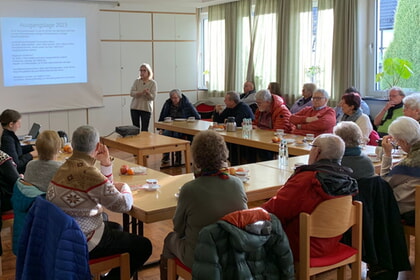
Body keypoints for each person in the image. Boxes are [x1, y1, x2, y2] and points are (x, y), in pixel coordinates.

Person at [47, 125, 152, 279]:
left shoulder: (65, 166)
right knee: (143, 246)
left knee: (117, 227)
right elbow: (122, 205)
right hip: (81, 239)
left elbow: (105, 190)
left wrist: (106, 164)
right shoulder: (88, 173)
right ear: (97, 146)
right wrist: (125, 187)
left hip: (63, 234)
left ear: (73, 144)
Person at [160, 130, 248, 278]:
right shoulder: (237, 184)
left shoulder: (190, 189)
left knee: (170, 239)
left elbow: (178, 228)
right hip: (233, 254)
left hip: (201, 257)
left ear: (196, 158)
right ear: (223, 154)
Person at [262, 134, 358, 261]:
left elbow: (274, 211)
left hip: (298, 245)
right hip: (331, 243)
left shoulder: (307, 180)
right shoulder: (347, 181)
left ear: (317, 151)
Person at [380, 116, 420, 226]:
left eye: (397, 141)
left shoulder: (409, 165)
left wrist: (387, 155)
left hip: (410, 212)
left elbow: (384, 184)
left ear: (404, 141)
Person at [158, 89, 201, 166]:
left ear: (179, 97)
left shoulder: (187, 104)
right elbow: (163, 115)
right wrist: (161, 127)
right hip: (171, 126)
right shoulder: (168, 103)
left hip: (184, 127)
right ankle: (166, 156)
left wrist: (188, 120)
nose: (173, 100)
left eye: (175, 98)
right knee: (165, 134)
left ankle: (178, 158)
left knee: (176, 136)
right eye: (172, 98)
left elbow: (197, 116)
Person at [0, 109, 37, 173]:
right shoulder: (7, 139)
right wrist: (31, 154)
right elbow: (17, 164)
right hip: (18, 174)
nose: (20, 126)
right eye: (18, 123)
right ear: (11, 124)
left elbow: (16, 149)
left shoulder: (8, 135)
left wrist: (31, 147)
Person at [130, 63, 157, 131]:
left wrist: (148, 94)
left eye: (144, 70)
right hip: (135, 108)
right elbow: (131, 93)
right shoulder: (137, 81)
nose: (142, 72)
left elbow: (153, 97)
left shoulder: (153, 83)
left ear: (148, 72)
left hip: (146, 109)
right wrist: (141, 93)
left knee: (144, 130)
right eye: (141, 71)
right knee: (135, 129)